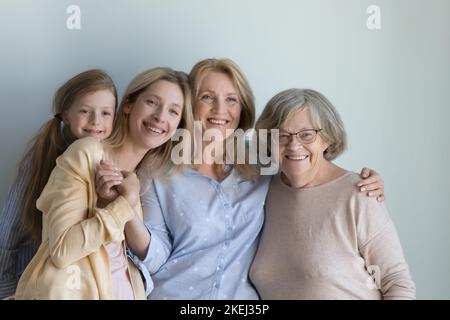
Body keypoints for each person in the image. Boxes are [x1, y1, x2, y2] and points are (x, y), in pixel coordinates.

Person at [96, 58, 385, 299]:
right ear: (188, 106)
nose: (220, 110)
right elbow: (156, 258)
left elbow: (307, 160)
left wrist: (358, 182)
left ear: (242, 109)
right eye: (207, 98)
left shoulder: (260, 160)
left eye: (231, 100)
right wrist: (127, 206)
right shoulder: (157, 173)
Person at [14, 67, 193, 299]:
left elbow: (152, 260)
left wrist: (125, 202)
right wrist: (123, 204)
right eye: (152, 102)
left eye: (173, 111)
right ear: (128, 105)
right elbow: (62, 251)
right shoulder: (86, 153)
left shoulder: (142, 180)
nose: (160, 116)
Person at [250, 88, 415, 299]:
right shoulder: (262, 191)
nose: (294, 145)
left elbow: (397, 282)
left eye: (307, 135)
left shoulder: (359, 195)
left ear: (327, 138)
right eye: (282, 135)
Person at [0, 69, 117, 299]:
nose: (96, 121)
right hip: (34, 283)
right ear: (66, 115)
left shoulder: (107, 161)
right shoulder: (42, 158)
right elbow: (9, 231)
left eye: (105, 113)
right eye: (85, 111)